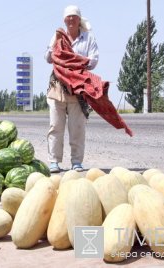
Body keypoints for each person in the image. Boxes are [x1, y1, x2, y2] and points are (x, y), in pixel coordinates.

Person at [45, 5, 99, 173]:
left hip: (78, 89)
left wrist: (74, 61)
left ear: (79, 20)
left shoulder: (88, 38)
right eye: (68, 17)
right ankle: (54, 161)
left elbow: (94, 60)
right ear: (64, 19)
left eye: (74, 17)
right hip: (57, 87)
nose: (71, 19)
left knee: (77, 127)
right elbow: (47, 57)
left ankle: (76, 162)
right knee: (55, 126)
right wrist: (55, 52)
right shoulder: (58, 36)